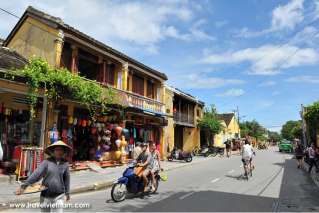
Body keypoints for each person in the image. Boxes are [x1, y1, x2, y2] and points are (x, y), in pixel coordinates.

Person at [16, 140, 71, 212]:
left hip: (59, 195)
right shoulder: (46, 162)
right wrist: (24, 186)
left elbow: (67, 179)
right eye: (57, 150)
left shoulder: (65, 163)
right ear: (53, 151)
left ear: (64, 152)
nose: (59, 152)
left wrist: (67, 193)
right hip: (45, 195)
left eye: (61, 150)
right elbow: (36, 174)